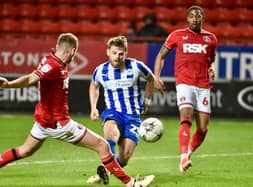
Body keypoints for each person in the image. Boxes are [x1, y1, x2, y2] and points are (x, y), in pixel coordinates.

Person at [0, 33, 154, 187]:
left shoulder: (51, 60)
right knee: (103, 146)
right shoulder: (53, 66)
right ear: (73, 51)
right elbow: (29, 79)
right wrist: (8, 84)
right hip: (59, 123)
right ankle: (131, 183)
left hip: (42, 122)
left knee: (24, 151)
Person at [153, 5, 217, 173]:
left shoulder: (211, 39)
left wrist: (211, 68)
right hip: (184, 83)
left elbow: (210, 59)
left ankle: (188, 152)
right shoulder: (177, 35)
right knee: (186, 118)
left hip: (203, 85)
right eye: (192, 16)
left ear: (203, 18)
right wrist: (156, 77)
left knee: (203, 129)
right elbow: (161, 55)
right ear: (187, 19)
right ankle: (183, 158)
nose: (195, 18)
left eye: (198, 16)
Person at [87, 36, 155, 184]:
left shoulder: (136, 66)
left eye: (121, 53)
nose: (117, 57)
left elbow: (151, 79)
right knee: (110, 126)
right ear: (108, 52)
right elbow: (94, 86)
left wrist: (147, 101)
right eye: (114, 53)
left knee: (125, 156)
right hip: (114, 111)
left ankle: (106, 171)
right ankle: (108, 165)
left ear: (126, 53)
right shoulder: (100, 70)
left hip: (133, 116)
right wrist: (93, 107)